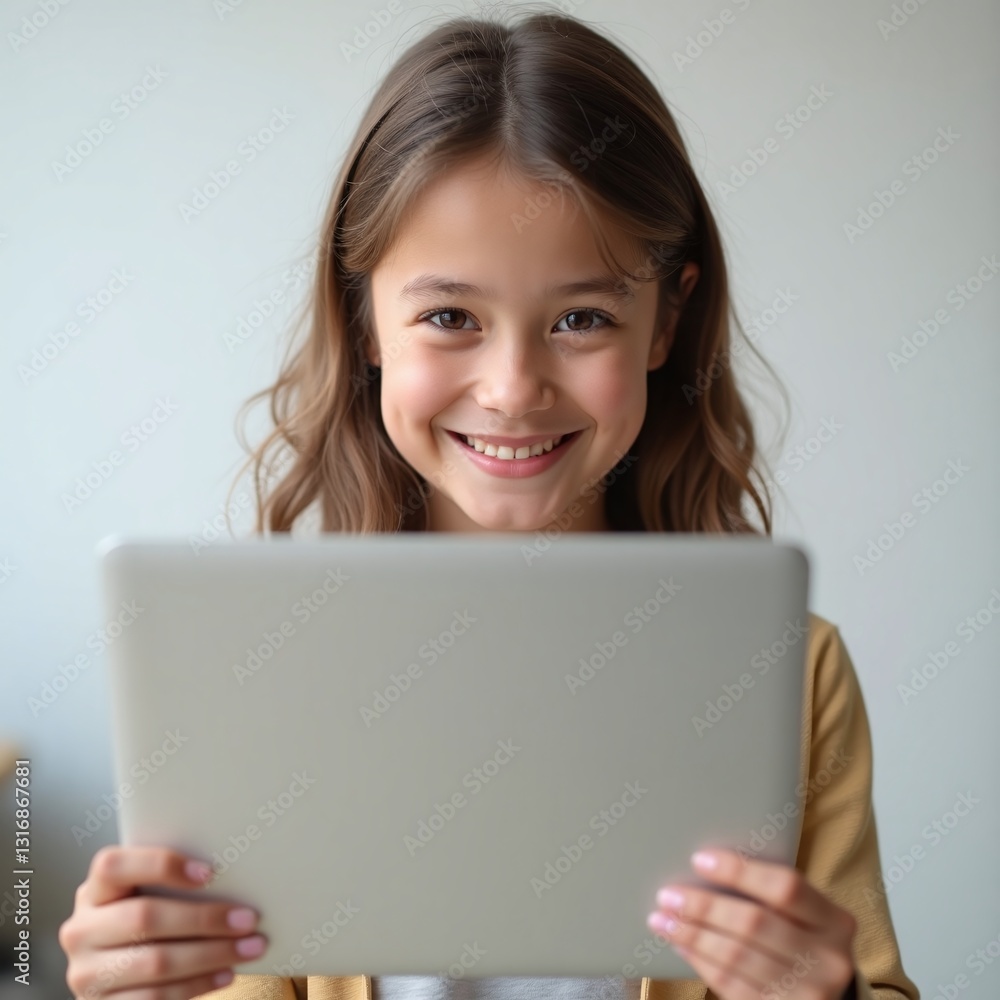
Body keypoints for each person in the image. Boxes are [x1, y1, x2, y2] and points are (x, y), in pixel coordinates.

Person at [58, 8, 922, 1000]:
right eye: (450, 317)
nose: (513, 386)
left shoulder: (790, 674)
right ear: (365, 320)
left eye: (581, 317)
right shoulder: (265, 660)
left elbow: (867, 983)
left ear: (665, 321)